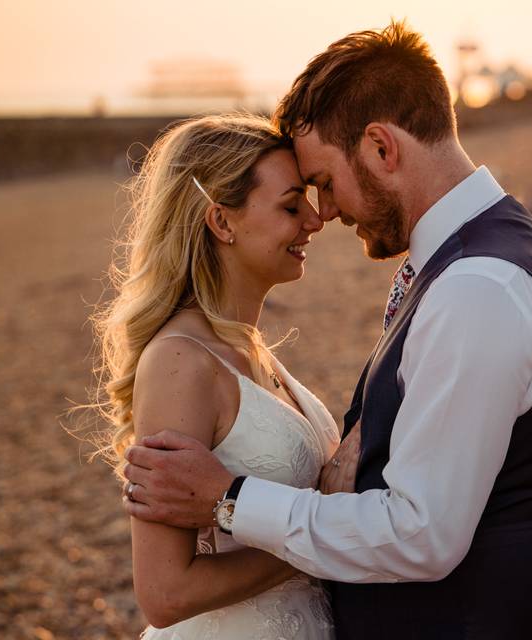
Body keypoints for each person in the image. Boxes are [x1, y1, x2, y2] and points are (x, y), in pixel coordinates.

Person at [124, 21, 532, 640]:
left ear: (381, 148)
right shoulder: (474, 260)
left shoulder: (477, 285)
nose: (327, 213)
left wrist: (232, 499)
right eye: (300, 199)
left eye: (321, 183)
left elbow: (420, 534)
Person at [93, 113, 352, 638]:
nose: (314, 218)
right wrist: (325, 533)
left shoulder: (251, 348)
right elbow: (165, 594)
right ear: (222, 221)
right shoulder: (180, 362)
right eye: (290, 205)